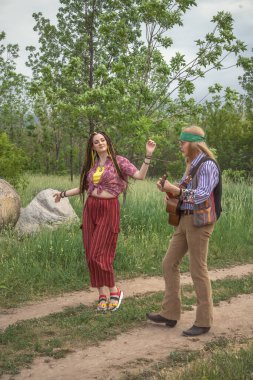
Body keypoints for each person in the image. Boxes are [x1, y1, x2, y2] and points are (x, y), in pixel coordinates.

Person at [54, 131, 156, 312]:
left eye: (102, 140)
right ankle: (102, 294)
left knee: (100, 254)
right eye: (96, 142)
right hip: (90, 209)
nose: (100, 143)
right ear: (92, 146)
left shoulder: (119, 161)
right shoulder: (91, 165)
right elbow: (82, 188)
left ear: (107, 142)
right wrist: (62, 194)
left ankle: (115, 291)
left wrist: (148, 155)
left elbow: (140, 175)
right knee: (90, 254)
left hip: (108, 209)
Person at [146, 125, 222, 336]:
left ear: (194, 144)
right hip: (184, 221)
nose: (180, 145)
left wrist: (176, 190)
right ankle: (170, 313)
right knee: (169, 263)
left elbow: (202, 195)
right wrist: (169, 190)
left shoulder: (207, 165)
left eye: (183, 142)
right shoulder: (191, 164)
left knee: (198, 269)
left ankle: (204, 321)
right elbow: (183, 189)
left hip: (200, 221)